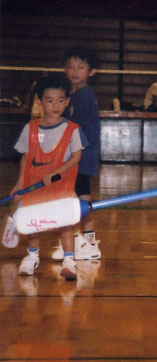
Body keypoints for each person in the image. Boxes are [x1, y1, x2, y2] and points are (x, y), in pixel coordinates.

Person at [12, 75, 86, 280]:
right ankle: (32, 256)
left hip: (62, 186)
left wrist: (57, 172)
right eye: (50, 100)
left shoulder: (73, 129)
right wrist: (19, 183)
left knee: (65, 224)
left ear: (67, 102)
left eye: (61, 100)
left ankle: (69, 261)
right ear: (40, 100)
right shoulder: (30, 128)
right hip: (34, 186)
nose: (56, 105)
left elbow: (77, 156)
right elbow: (25, 156)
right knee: (34, 223)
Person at [51, 46, 102, 261]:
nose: (75, 71)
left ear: (91, 72)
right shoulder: (71, 94)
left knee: (78, 199)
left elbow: (76, 127)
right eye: (71, 67)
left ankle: (81, 242)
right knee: (80, 198)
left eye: (80, 68)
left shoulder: (84, 95)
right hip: (76, 157)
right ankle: (86, 242)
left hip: (81, 157)